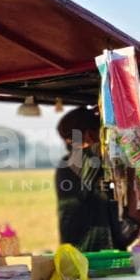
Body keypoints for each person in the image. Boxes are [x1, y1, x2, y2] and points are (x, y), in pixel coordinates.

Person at [54, 107, 120, 251]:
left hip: (79, 246)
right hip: (85, 247)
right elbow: (107, 147)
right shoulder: (76, 162)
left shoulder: (70, 163)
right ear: (89, 135)